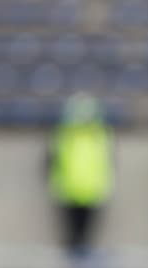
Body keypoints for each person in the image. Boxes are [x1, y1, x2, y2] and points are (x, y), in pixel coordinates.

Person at [46, 92, 114, 259]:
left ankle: (84, 256)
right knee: (71, 231)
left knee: (88, 230)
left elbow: (107, 162)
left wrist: (106, 185)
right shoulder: (64, 135)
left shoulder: (101, 135)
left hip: (92, 189)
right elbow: (52, 161)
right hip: (69, 189)